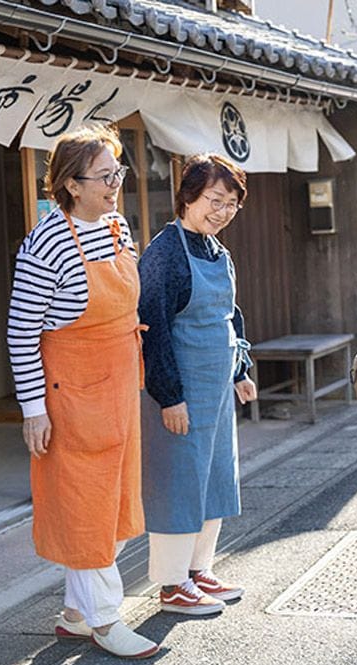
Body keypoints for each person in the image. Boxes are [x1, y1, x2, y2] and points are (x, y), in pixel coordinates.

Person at [6, 125, 156, 659]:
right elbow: (21, 330)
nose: (115, 184)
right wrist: (32, 409)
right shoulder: (45, 240)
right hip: (70, 392)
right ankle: (105, 618)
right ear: (71, 185)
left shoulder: (118, 228)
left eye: (118, 172)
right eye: (104, 176)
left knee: (114, 501)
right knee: (85, 502)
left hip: (117, 385)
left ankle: (76, 610)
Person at [138, 153, 258, 616]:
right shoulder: (164, 253)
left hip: (217, 388)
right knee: (179, 483)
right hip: (182, 392)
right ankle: (171, 585)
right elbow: (153, 328)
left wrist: (241, 371)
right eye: (214, 200)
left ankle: (198, 569)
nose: (222, 211)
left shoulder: (217, 251)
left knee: (214, 480)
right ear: (187, 196)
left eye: (230, 203)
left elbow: (230, 315)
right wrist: (170, 397)